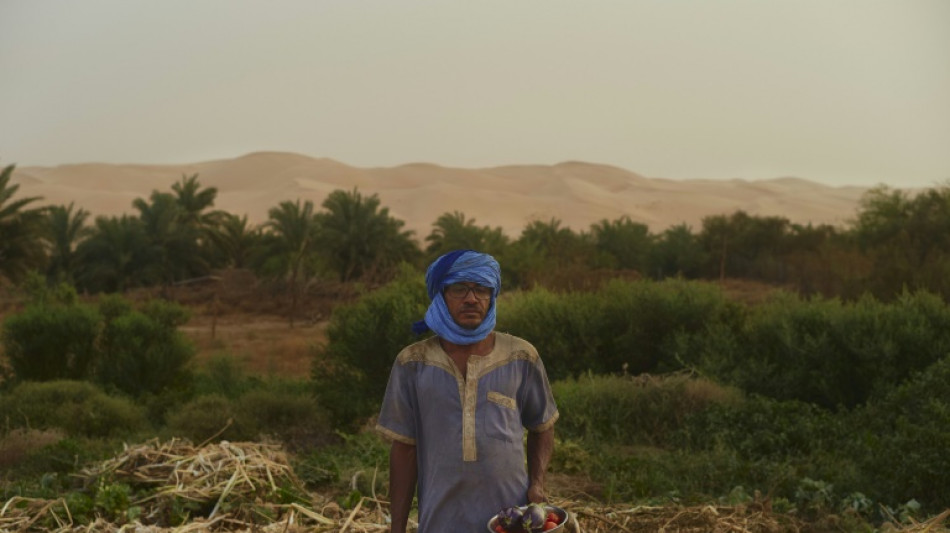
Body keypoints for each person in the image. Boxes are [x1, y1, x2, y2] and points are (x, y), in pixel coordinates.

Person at [376, 249, 558, 533]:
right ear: (441, 295)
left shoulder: (521, 356)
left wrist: (537, 484)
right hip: (440, 523)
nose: (472, 298)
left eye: (481, 289)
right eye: (459, 288)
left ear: (492, 295)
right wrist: (397, 527)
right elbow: (404, 450)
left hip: (510, 522)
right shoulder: (413, 363)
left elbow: (543, 426)